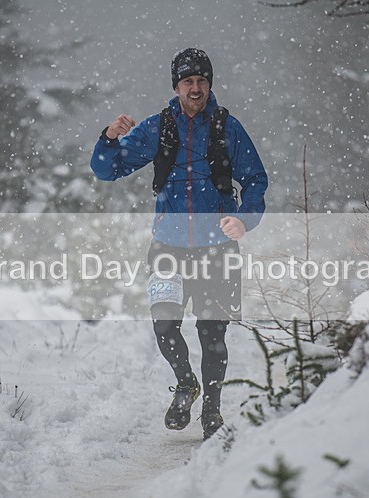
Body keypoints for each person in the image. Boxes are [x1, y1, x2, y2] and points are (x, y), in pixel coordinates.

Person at [90, 48, 268, 440]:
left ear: (209, 85)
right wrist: (109, 138)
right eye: (188, 81)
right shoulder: (159, 128)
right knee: (165, 325)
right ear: (177, 86)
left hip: (217, 250)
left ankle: (212, 412)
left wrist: (244, 218)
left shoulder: (226, 127)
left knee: (212, 335)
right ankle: (186, 383)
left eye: (202, 81)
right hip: (168, 249)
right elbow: (108, 170)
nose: (196, 87)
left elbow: (256, 179)